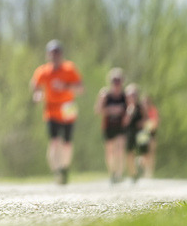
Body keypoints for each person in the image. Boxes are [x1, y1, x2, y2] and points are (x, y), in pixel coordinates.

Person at [30, 40, 83, 185]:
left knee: (67, 143)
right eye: (52, 53)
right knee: (54, 142)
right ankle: (56, 171)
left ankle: (64, 169)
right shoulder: (43, 71)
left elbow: (80, 88)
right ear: (48, 55)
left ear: (62, 54)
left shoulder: (69, 69)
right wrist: (37, 95)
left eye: (57, 52)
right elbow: (35, 85)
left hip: (67, 108)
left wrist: (65, 86)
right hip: (51, 109)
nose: (55, 56)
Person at [94, 67, 128, 183]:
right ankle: (112, 172)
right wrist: (111, 110)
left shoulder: (125, 96)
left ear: (122, 81)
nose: (116, 83)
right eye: (114, 80)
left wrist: (124, 113)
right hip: (108, 126)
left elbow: (130, 110)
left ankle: (119, 173)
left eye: (118, 80)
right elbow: (98, 110)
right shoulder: (105, 95)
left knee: (120, 149)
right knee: (110, 151)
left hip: (121, 126)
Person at [123, 83, 144, 182]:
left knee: (141, 153)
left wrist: (142, 122)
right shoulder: (126, 108)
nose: (132, 97)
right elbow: (125, 122)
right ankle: (133, 174)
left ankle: (139, 169)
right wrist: (130, 111)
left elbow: (146, 118)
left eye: (134, 95)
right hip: (130, 133)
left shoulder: (141, 107)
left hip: (140, 133)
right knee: (130, 153)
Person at [137, 94, 160, 178]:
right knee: (143, 156)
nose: (144, 104)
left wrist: (145, 124)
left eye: (146, 102)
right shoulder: (139, 111)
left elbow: (155, 123)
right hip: (141, 135)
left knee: (151, 154)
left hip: (151, 135)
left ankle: (149, 173)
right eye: (143, 103)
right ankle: (143, 169)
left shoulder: (153, 110)